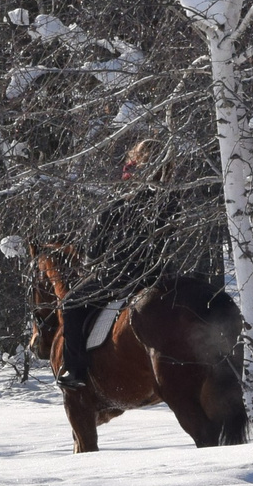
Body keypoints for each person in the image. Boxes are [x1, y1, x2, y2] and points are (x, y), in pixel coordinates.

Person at [58, 139, 189, 389]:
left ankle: (76, 371)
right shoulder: (174, 201)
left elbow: (95, 250)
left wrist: (90, 260)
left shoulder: (123, 202)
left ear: (137, 164)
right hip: (161, 276)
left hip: (122, 275)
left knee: (71, 303)